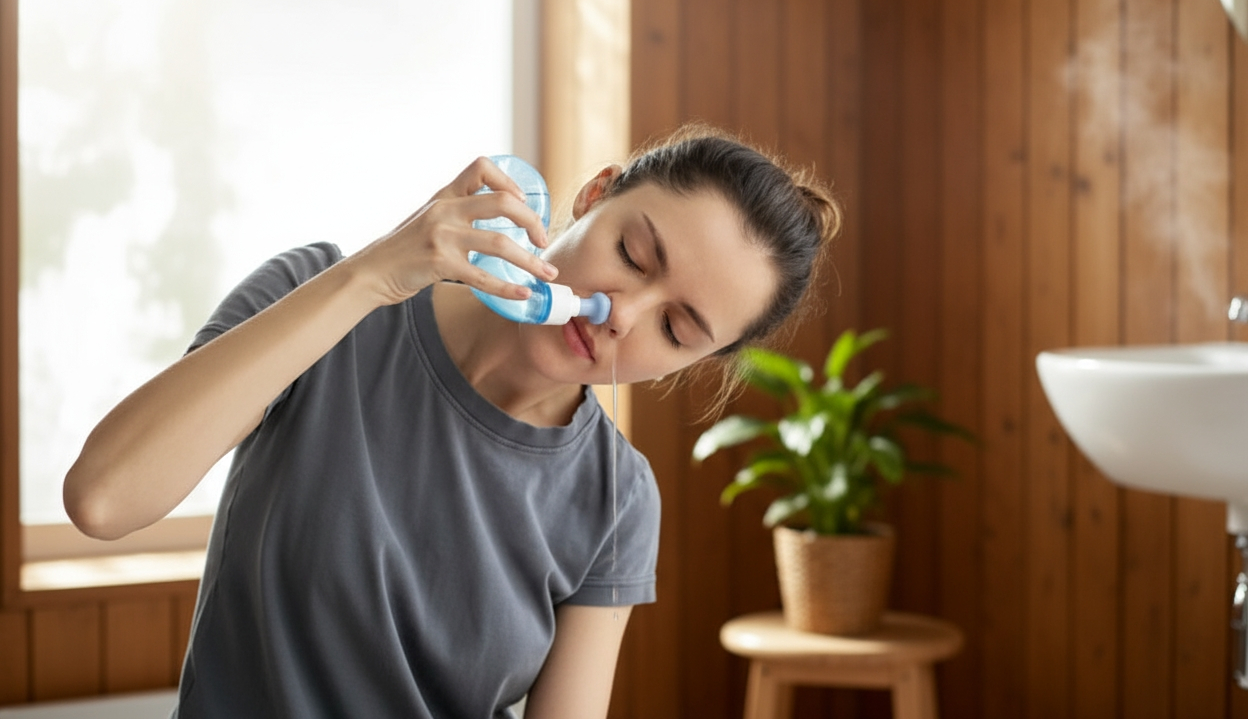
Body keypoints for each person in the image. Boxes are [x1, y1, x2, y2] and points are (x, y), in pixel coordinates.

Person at [63, 125, 842, 719]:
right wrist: (371, 275)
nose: (620, 315)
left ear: (694, 363)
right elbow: (103, 499)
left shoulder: (618, 497)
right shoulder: (319, 298)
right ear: (593, 195)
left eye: (674, 329)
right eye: (633, 255)